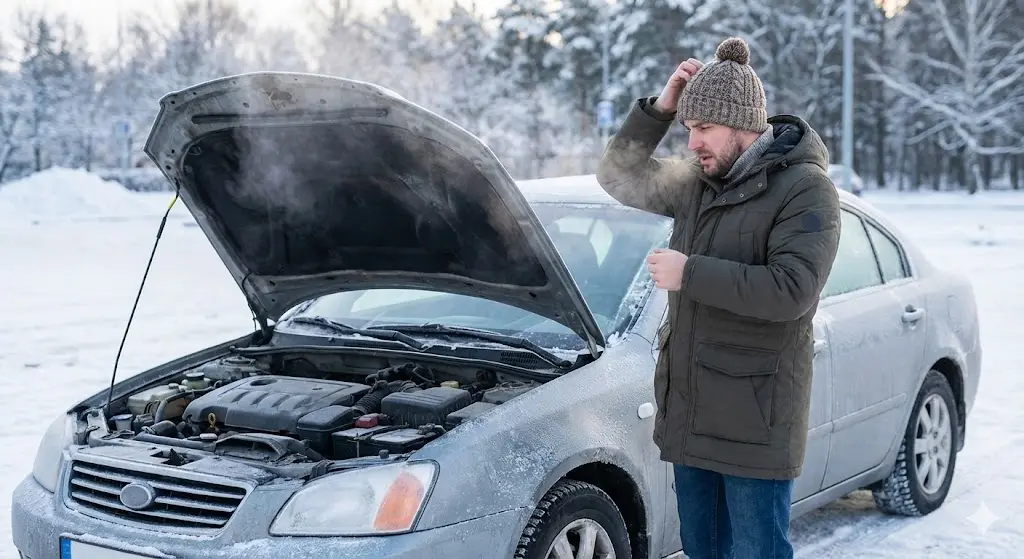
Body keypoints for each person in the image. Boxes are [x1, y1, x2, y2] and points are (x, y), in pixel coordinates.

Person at [596, 37, 841, 559]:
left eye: (703, 128)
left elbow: (792, 290)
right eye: (688, 128)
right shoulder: (697, 182)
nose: (692, 144)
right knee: (702, 550)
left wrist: (690, 273)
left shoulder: (805, 188)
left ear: (741, 124)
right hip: (691, 415)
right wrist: (661, 109)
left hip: (755, 422)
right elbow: (618, 176)